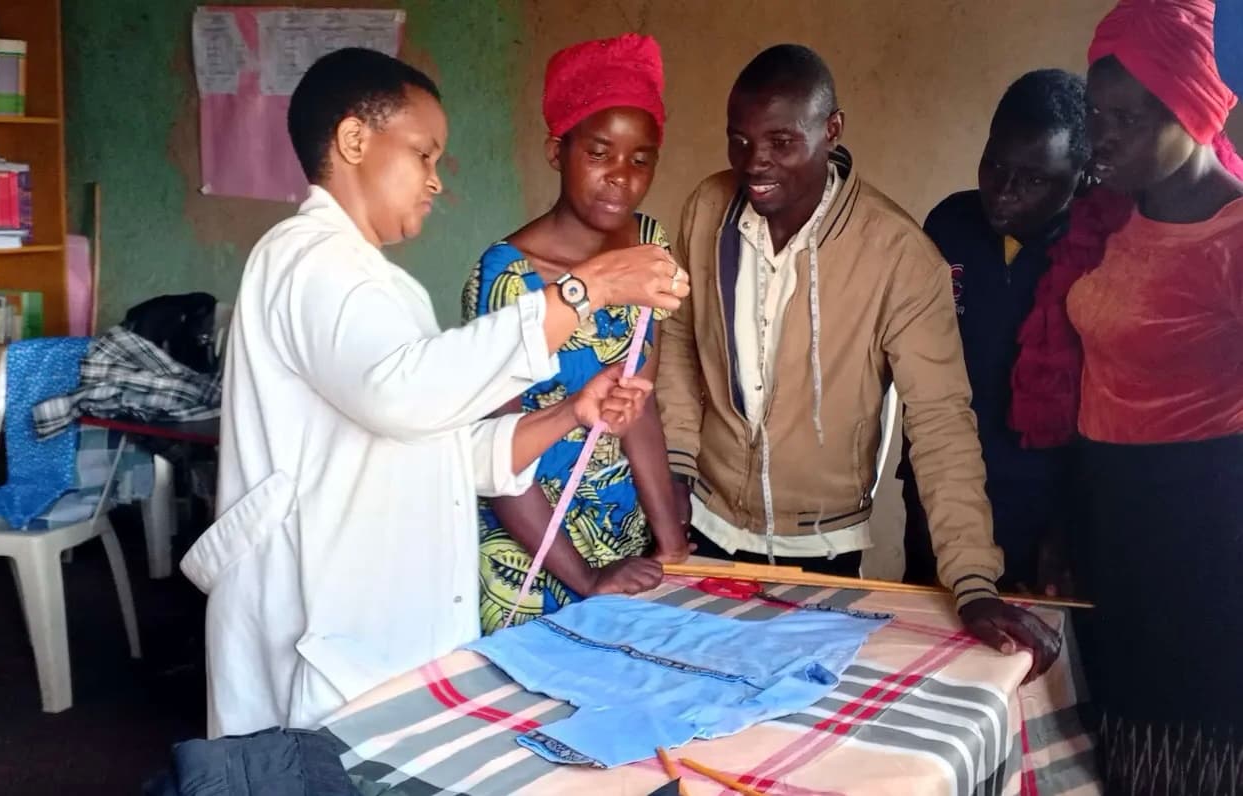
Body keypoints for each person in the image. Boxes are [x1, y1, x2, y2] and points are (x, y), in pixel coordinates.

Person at [180, 48, 690, 738]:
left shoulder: (381, 286)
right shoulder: (308, 260)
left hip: (384, 624)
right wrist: (587, 290)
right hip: (330, 627)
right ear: (355, 140)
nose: (435, 182)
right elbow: (404, 396)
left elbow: (447, 443)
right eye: (423, 156)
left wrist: (573, 411)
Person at [654, 44, 1059, 678]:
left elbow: (941, 421)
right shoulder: (708, 209)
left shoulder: (900, 257)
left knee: (795, 729)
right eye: (739, 140)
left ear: (831, 130)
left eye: (781, 141)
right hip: (703, 527)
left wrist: (973, 579)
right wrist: (675, 466)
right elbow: (678, 337)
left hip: (822, 549)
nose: (754, 162)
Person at [1010, 1, 1243, 789]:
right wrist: (1066, 523)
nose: (1102, 137)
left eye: (1130, 119)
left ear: (1195, 109)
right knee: (1116, 736)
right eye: (1098, 113)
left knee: (1194, 743)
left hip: (1203, 534)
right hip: (1109, 513)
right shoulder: (1107, 221)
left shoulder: (1234, 239)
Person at [461, 34, 690, 634]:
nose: (622, 177)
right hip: (530, 558)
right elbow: (494, 454)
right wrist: (583, 579)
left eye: (641, 158)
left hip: (624, 547)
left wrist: (670, 545)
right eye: (599, 152)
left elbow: (639, 404)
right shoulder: (506, 278)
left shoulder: (649, 247)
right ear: (555, 151)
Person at [898, 70, 1091, 592]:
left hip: (1044, 505)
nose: (1004, 191)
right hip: (938, 489)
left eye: (1033, 180)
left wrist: (1069, 529)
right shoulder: (949, 226)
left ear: (1080, 176)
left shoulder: (1095, 254)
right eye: (995, 164)